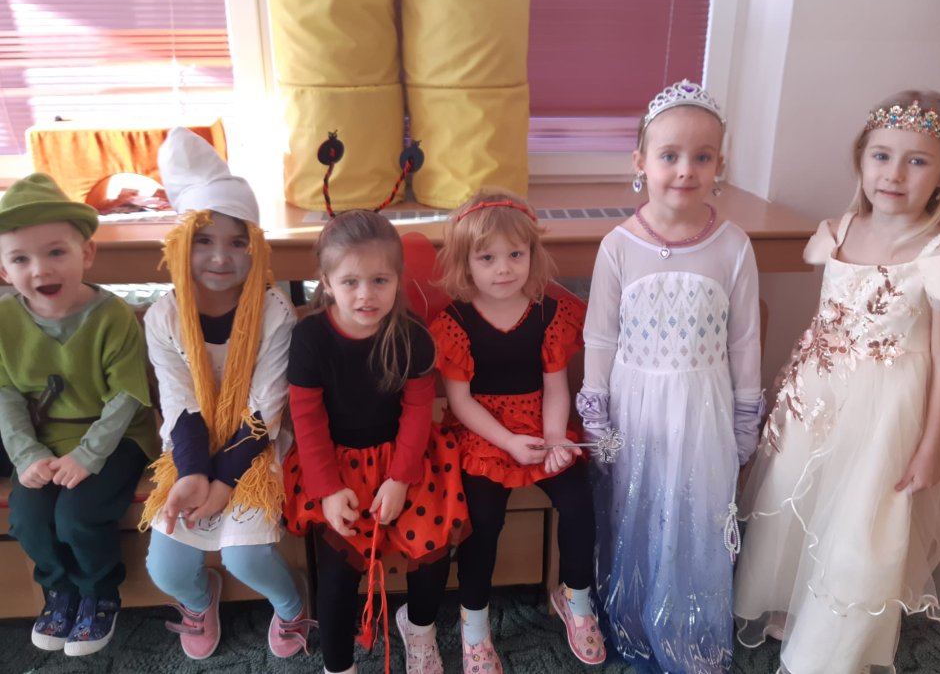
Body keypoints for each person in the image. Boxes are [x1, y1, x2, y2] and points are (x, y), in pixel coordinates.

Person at [733, 90, 940, 673]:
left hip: (886, 412)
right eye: (882, 156)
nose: (894, 174)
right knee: (797, 498)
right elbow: (829, 320)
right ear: (861, 160)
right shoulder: (839, 231)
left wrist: (930, 448)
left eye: (916, 161)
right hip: (819, 396)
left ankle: (831, 645)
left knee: (860, 520)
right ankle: (793, 603)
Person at [578, 80, 763, 673]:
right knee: (637, 511)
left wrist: (745, 418)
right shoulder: (617, 246)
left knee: (694, 517)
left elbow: (745, 340)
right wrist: (596, 411)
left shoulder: (733, 247)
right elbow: (600, 335)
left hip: (702, 407)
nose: (685, 170)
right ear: (640, 162)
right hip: (636, 406)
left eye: (701, 157)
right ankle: (633, 622)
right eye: (669, 155)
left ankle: (690, 633)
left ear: (720, 165)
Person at [139, 128, 311, 660]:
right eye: (204, 240)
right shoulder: (164, 316)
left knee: (246, 558)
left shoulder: (274, 313)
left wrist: (224, 481)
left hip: (252, 447)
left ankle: (292, 604)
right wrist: (194, 474)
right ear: (181, 244)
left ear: (256, 248)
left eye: (238, 242)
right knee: (166, 567)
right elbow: (179, 403)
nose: (221, 256)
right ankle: (199, 598)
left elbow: (265, 410)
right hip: (191, 446)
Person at [282, 209, 469, 674]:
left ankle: (420, 630)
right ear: (326, 282)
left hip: (405, 456)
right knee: (337, 570)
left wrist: (401, 479)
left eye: (380, 281)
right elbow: (307, 420)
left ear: (397, 279)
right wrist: (328, 490)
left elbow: (417, 412)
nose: (366, 294)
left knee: (433, 550)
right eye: (350, 282)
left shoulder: (412, 336)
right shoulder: (309, 338)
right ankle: (338, 665)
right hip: (334, 464)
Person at [431, 189, 606, 673]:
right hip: (483, 435)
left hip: (541, 424)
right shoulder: (455, 323)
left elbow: (556, 387)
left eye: (515, 254)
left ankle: (575, 597)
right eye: (487, 258)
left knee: (579, 502)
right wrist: (507, 441)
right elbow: (461, 401)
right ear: (466, 264)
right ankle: (474, 628)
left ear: (532, 253)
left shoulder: (548, 313)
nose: (504, 269)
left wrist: (554, 439)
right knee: (482, 521)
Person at [0, 173, 157, 655]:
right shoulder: (5, 319)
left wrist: (88, 456)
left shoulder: (111, 315)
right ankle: (60, 589)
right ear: (3, 269)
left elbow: (125, 397)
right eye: (20, 259)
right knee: (29, 517)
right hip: (44, 440)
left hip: (115, 437)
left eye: (55, 252)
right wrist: (27, 455)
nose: (40, 270)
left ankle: (99, 591)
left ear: (86, 253)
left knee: (78, 516)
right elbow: (6, 395)